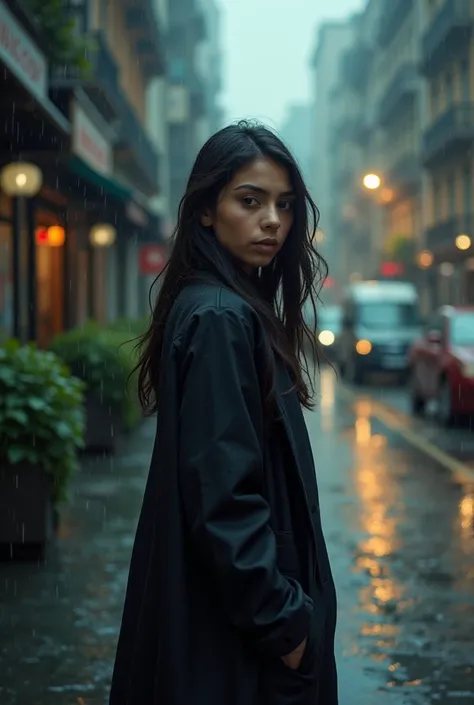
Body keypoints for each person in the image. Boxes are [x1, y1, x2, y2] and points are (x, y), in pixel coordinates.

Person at [109, 121, 338, 705]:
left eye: (285, 206)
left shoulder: (228, 305)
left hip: (225, 630)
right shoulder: (219, 317)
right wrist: (287, 627)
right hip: (236, 646)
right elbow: (223, 497)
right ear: (207, 211)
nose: (273, 222)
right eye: (250, 200)